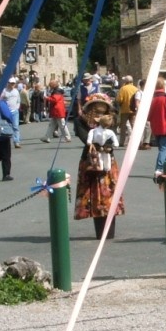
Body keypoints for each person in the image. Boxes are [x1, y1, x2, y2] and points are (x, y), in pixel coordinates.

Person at [74, 95, 125, 238]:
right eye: (96, 110)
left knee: (109, 194)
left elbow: (111, 140)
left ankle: (109, 229)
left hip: (108, 160)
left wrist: (106, 144)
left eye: (103, 111)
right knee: (94, 195)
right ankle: (100, 229)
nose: (99, 114)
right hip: (91, 162)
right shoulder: (80, 122)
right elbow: (87, 140)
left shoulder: (110, 121)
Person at [116, 75, 139, 146]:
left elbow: (119, 99)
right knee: (134, 126)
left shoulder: (123, 89)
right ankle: (137, 141)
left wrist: (119, 104)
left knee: (123, 127)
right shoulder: (136, 89)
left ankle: (122, 142)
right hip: (133, 110)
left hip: (124, 110)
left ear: (126, 81)